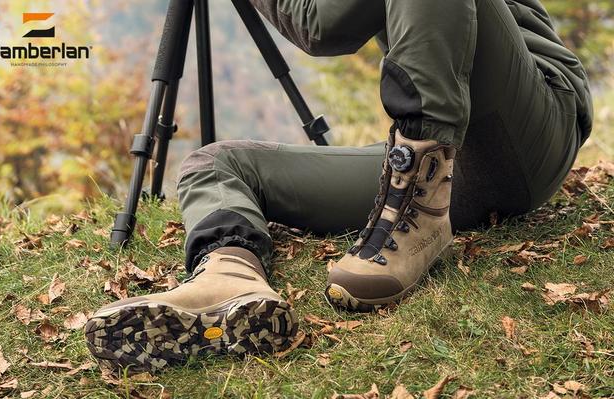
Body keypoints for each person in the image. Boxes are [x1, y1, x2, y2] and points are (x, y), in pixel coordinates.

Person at [85, 0, 592, 373]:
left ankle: (419, 214)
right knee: (216, 163)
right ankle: (227, 278)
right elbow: (321, 18)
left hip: (529, 130)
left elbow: (321, 26)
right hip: (452, 170)